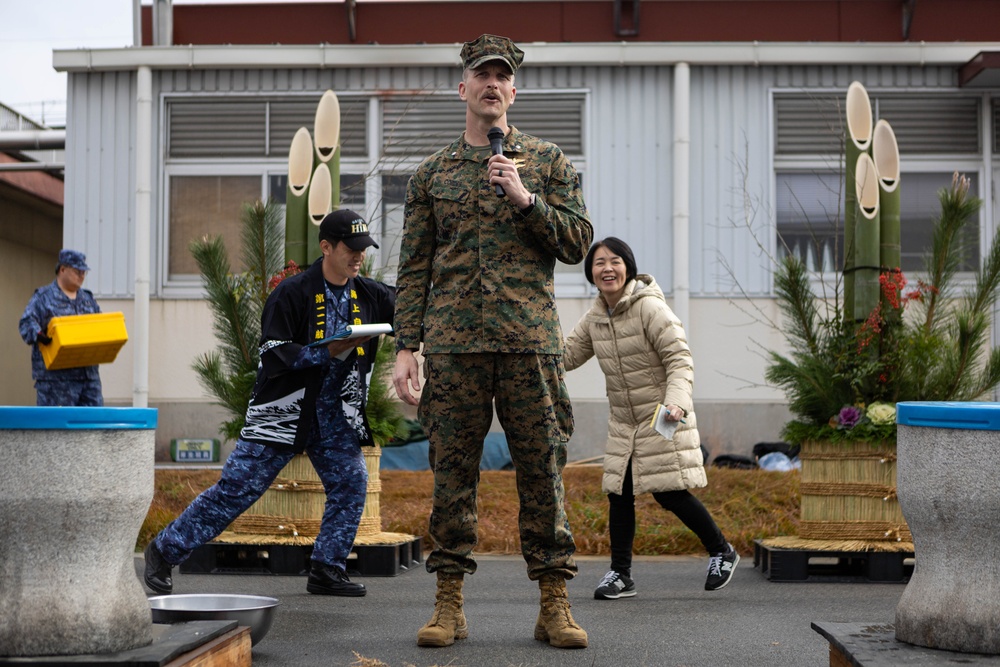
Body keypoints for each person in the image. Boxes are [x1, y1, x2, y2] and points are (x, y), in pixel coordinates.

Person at [392, 34, 593, 650]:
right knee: (452, 477)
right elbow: (414, 266)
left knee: (542, 473)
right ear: (464, 89)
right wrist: (407, 346)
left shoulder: (547, 162)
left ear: (514, 91)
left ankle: (554, 604)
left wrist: (525, 199)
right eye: (482, 74)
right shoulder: (432, 174)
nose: (492, 84)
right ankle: (448, 605)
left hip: (529, 343)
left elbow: (578, 243)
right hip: (453, 349)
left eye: (502, 76)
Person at [143, 209, 395, 598]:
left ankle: (327, 568)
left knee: (351, 481)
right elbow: (273, 353)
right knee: (237, 490)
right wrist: (327, 352)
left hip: (335, 415)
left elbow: (410, 311)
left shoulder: (370, 293)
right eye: (351, 248)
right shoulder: (292, 293)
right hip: (283, 411)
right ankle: (163, 551)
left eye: (364, 249)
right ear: (326, 247)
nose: (359, 256)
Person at [563, 237, 740, 600]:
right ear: (590, 273)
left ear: (628, 266)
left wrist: (676, 403)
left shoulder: (649, 308)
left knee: (669, 492)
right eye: (599, 263)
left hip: (663, 414)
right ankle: (620, 574)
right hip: (624, 422)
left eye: (614, 261)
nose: (607, 268)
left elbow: (680, 359)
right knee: (619, 493)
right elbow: (563, 357)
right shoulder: (595, 317)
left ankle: (722, 551)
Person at [18, 249, 104, 406]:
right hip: (56, 382)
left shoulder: (88, 300)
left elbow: (100, 325)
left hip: (88, 380)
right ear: (62, 269)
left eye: (84, 272)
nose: (82, 275)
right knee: (57, 428)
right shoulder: (44, 297)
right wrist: (39, 334)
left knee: (92, 426)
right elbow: (26, 322)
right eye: (77, 271)